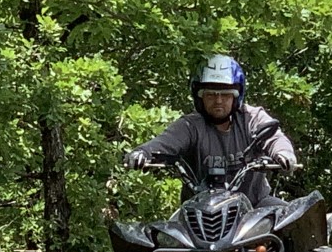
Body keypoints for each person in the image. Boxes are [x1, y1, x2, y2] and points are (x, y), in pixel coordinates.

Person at [124, 54, 297, 206]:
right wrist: (143, 152)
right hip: (199, 212)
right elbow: (165, 142)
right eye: (211, 94)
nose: (218, 100)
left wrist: (284, 153)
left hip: (255, 207)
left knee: (291, 216)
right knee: (159, 237)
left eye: (225, 94)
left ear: (236, 96)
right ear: (200, 97)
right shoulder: (190, 126)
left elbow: (274, 137)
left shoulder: (251, 117)